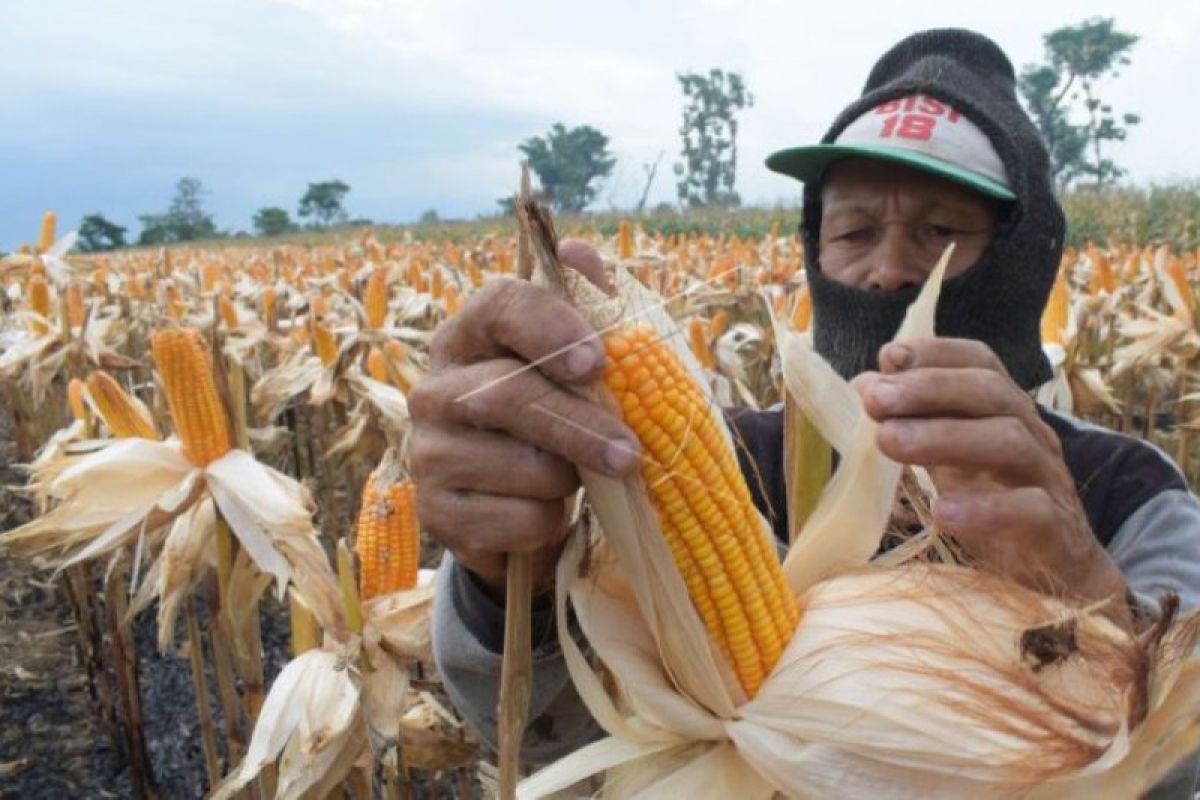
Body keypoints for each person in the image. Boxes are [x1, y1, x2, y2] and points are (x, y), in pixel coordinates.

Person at [409, 28, 1200, 795]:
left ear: (1024, 265)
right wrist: (509, 576)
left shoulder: (1128, 489)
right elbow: (554, 728)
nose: (890, 271)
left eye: (940, 231)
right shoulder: (726, 461)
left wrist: (1088, 597)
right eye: (854, 230)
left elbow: (1180, 769)